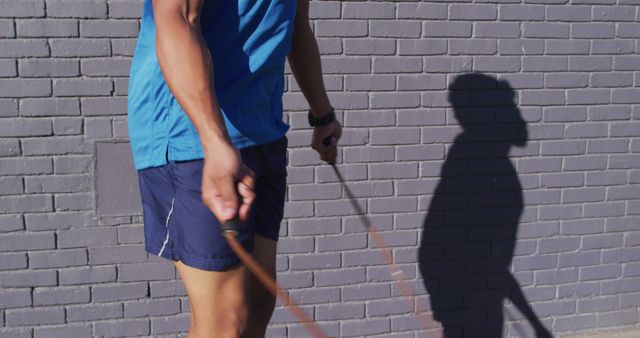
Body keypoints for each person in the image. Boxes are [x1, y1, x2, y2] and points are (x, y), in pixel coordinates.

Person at [126, 0, 342, 337]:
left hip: (262, 131)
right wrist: (214, 141)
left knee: (257, 305)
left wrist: (322, 114)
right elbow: (177, 17)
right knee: (225, 322)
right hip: (193, 136)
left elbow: (296, 26)